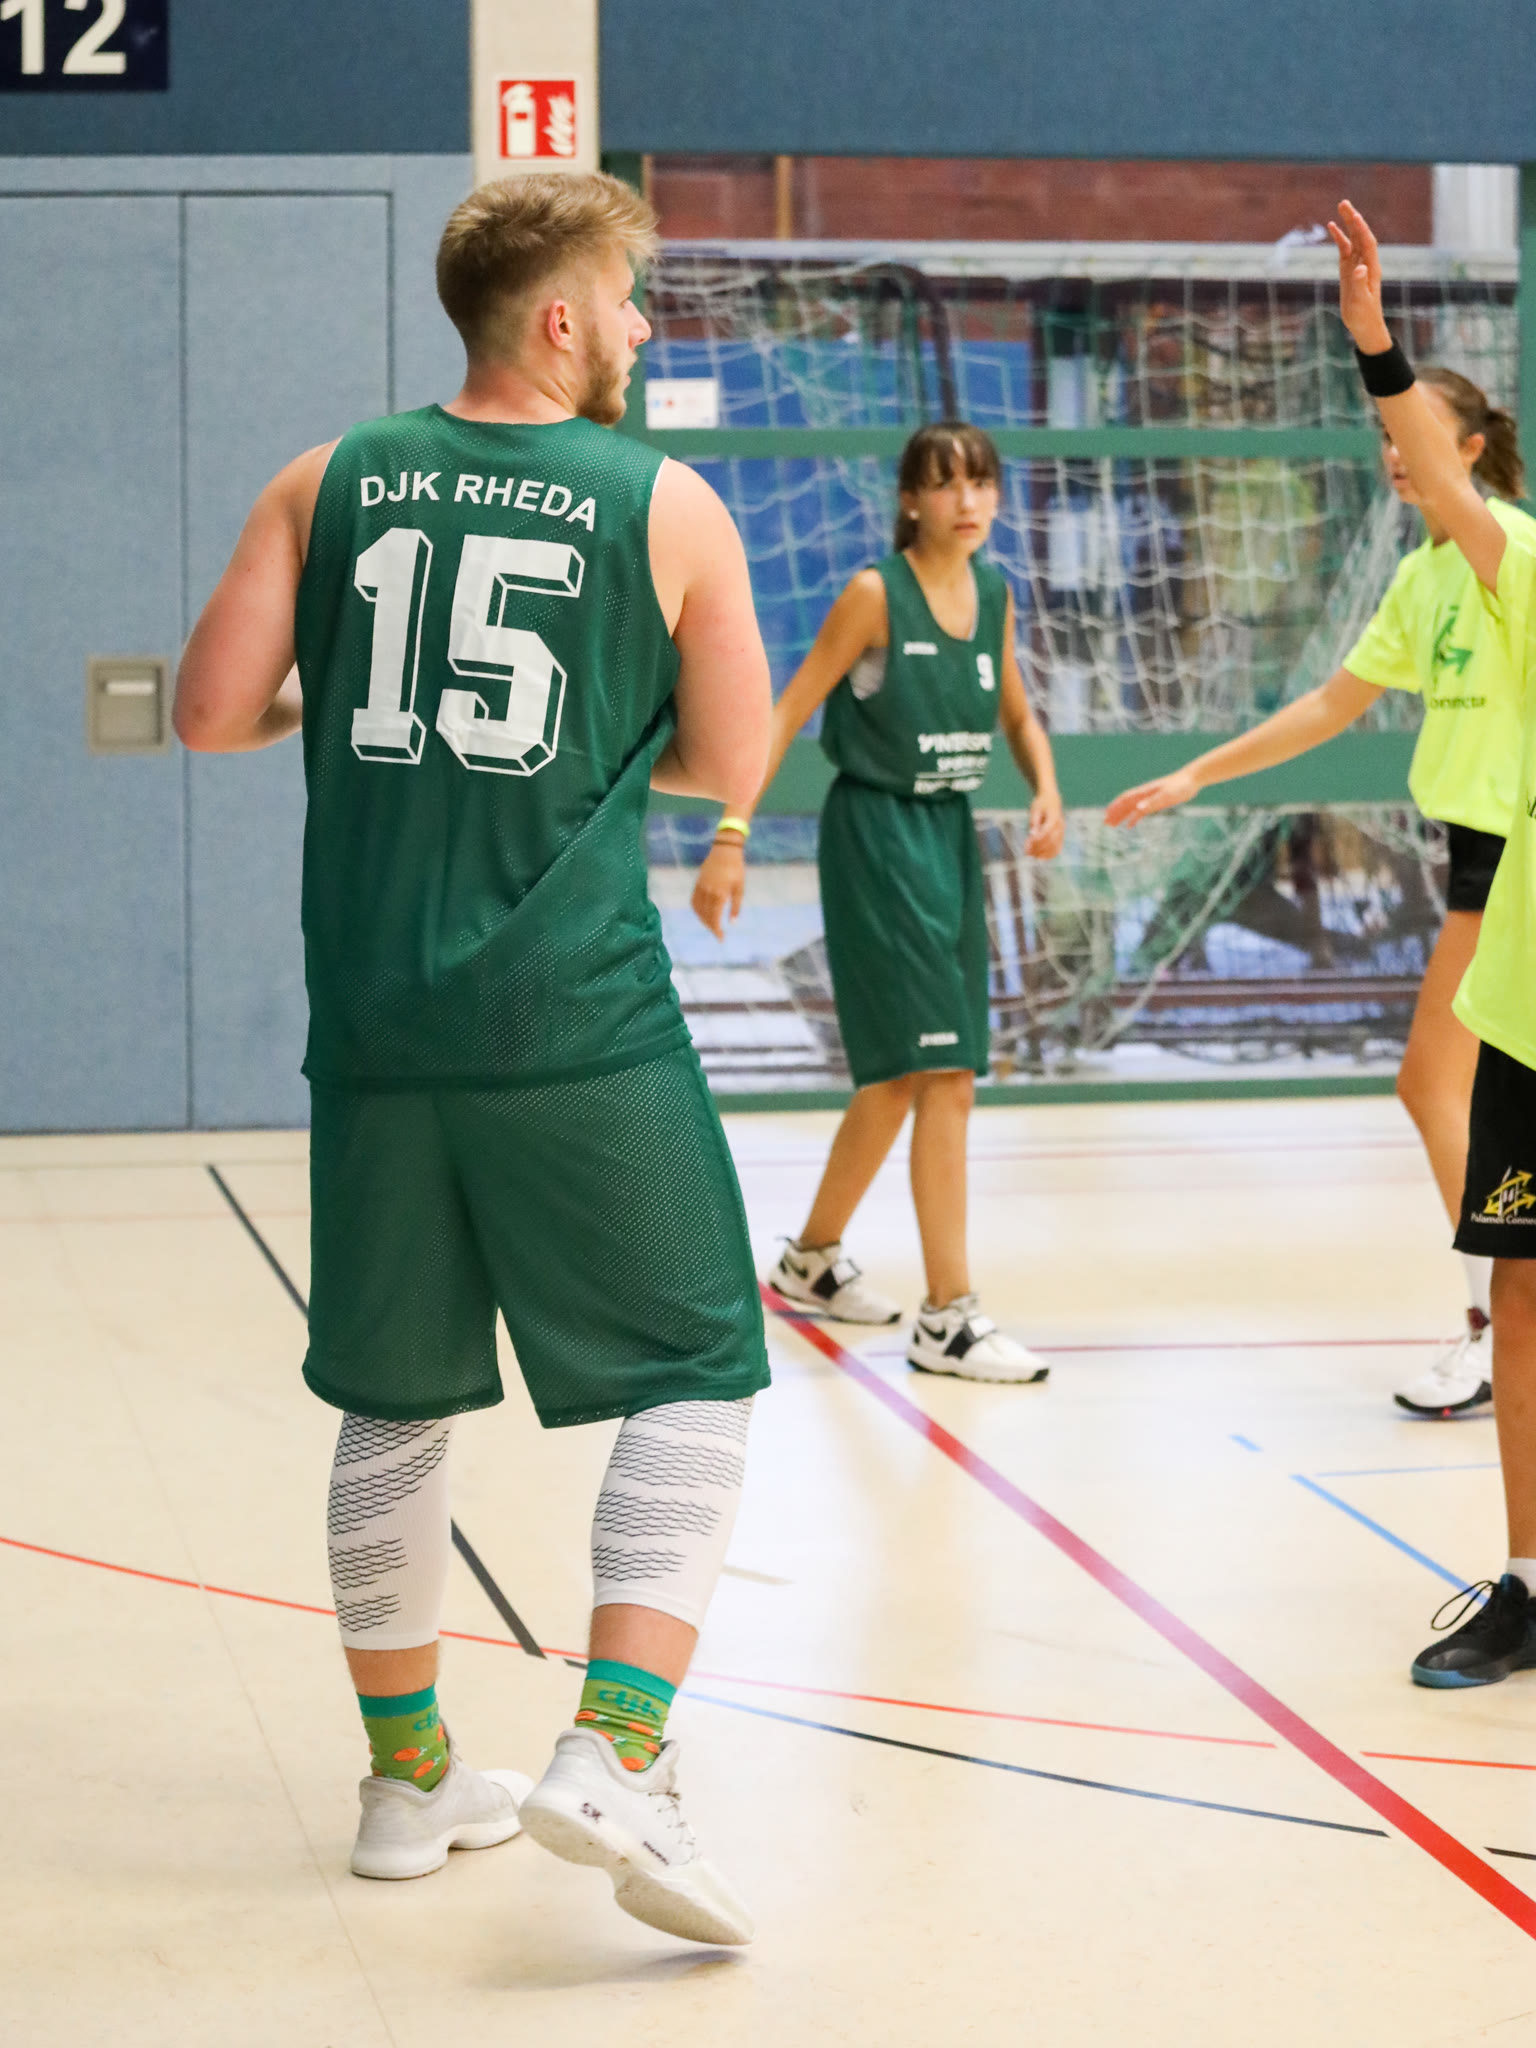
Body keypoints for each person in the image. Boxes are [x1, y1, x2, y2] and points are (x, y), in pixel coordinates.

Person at [173, 172, 773, 1944]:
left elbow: (212, 712)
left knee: (393, 1399)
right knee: (698, 1367)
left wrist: (383, 724)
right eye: (630, 297)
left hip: (375, 1025)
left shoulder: (324, 477)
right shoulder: (665, 501)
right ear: (561, 319)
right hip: (573, 1018)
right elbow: (729, 762)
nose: (644, 327)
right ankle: (620, 1748)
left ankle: (405, 1778)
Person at [1105, 365, 1533, 1422]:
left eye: (1413, 432)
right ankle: (1498, 1313)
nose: (1394, 451)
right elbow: (1333, 703)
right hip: (1471, 853)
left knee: (1432, 1084)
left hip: (1511, 854)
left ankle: (1495, 1322)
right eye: (1384, 433)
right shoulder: (1422, 575)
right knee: (1441, 1087)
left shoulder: (1506, 549)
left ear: (1468, 451)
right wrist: (1200, 773)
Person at [692, 423, 1065, 1381]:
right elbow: (786, 710)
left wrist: (1047, 785)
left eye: (980, 482)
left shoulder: (993, 593)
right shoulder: (873, 596)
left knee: (899, 1077)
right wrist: (730, 833)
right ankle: (949, 1318)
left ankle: (811, 1261)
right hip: (878, 836)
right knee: (946, 1076)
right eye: (945, 484)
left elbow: (1017, 710)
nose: (967, 501)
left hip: (949, 834)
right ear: (910, 499)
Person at [1330, 197, 1536, 1688]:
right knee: (1523, 1284)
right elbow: (1445, 481)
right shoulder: (1512, 564)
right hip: (1526, 986)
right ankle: (1529, 1581)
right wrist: (1377, 347)